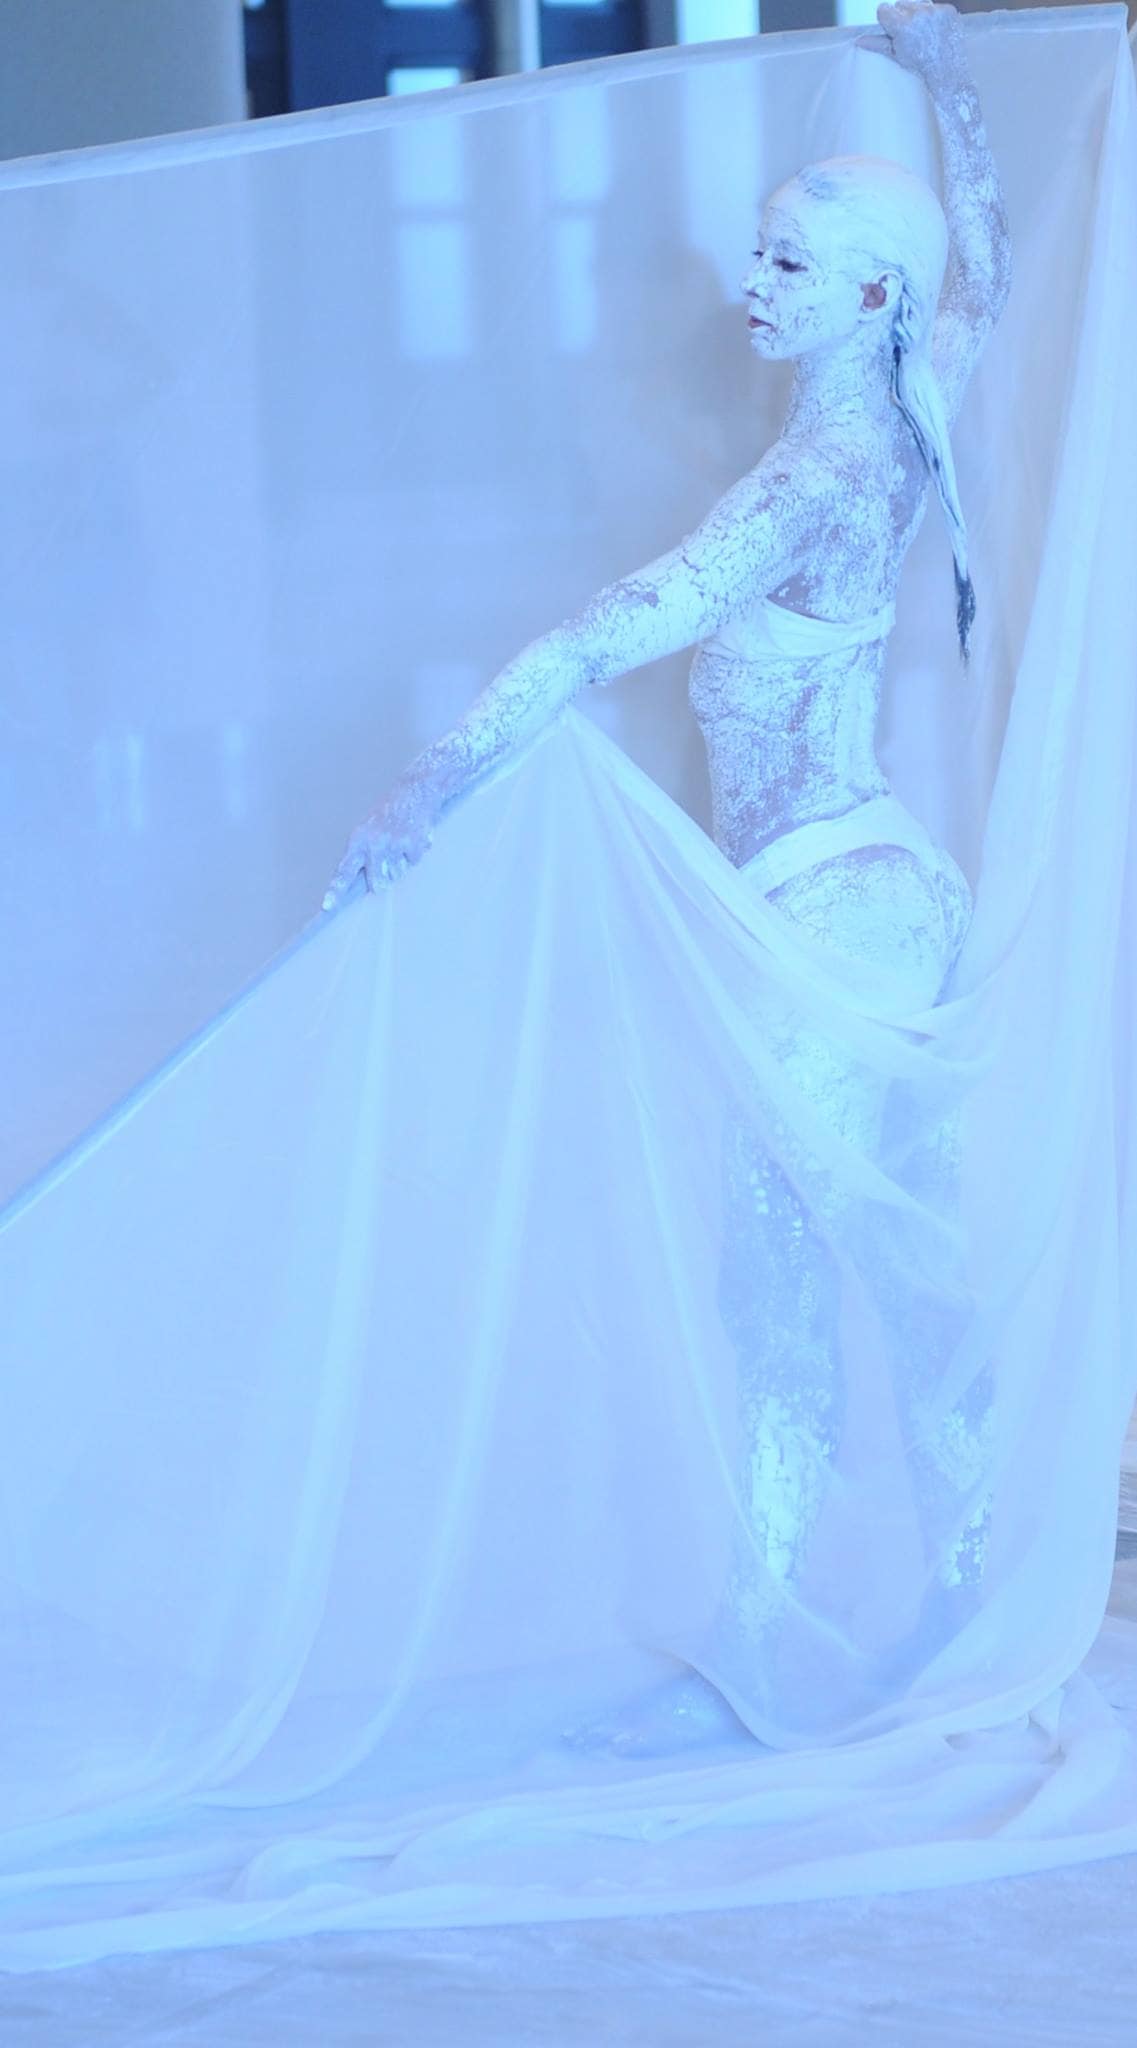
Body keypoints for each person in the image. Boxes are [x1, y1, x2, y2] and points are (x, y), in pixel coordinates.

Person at [320, 0, 1013, 1758]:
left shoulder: (817, 473)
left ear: (867, 295)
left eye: (786, 264)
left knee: (783, 1269)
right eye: (757, 252)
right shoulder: (914, 405)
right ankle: (946, 1598)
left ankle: (787, 1630)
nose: (747, 288)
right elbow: (986, 280)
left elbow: (600, 633)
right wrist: (944, 90)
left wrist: (427, 785)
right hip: (876, 893)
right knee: (891, 1265)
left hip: (835, 906)